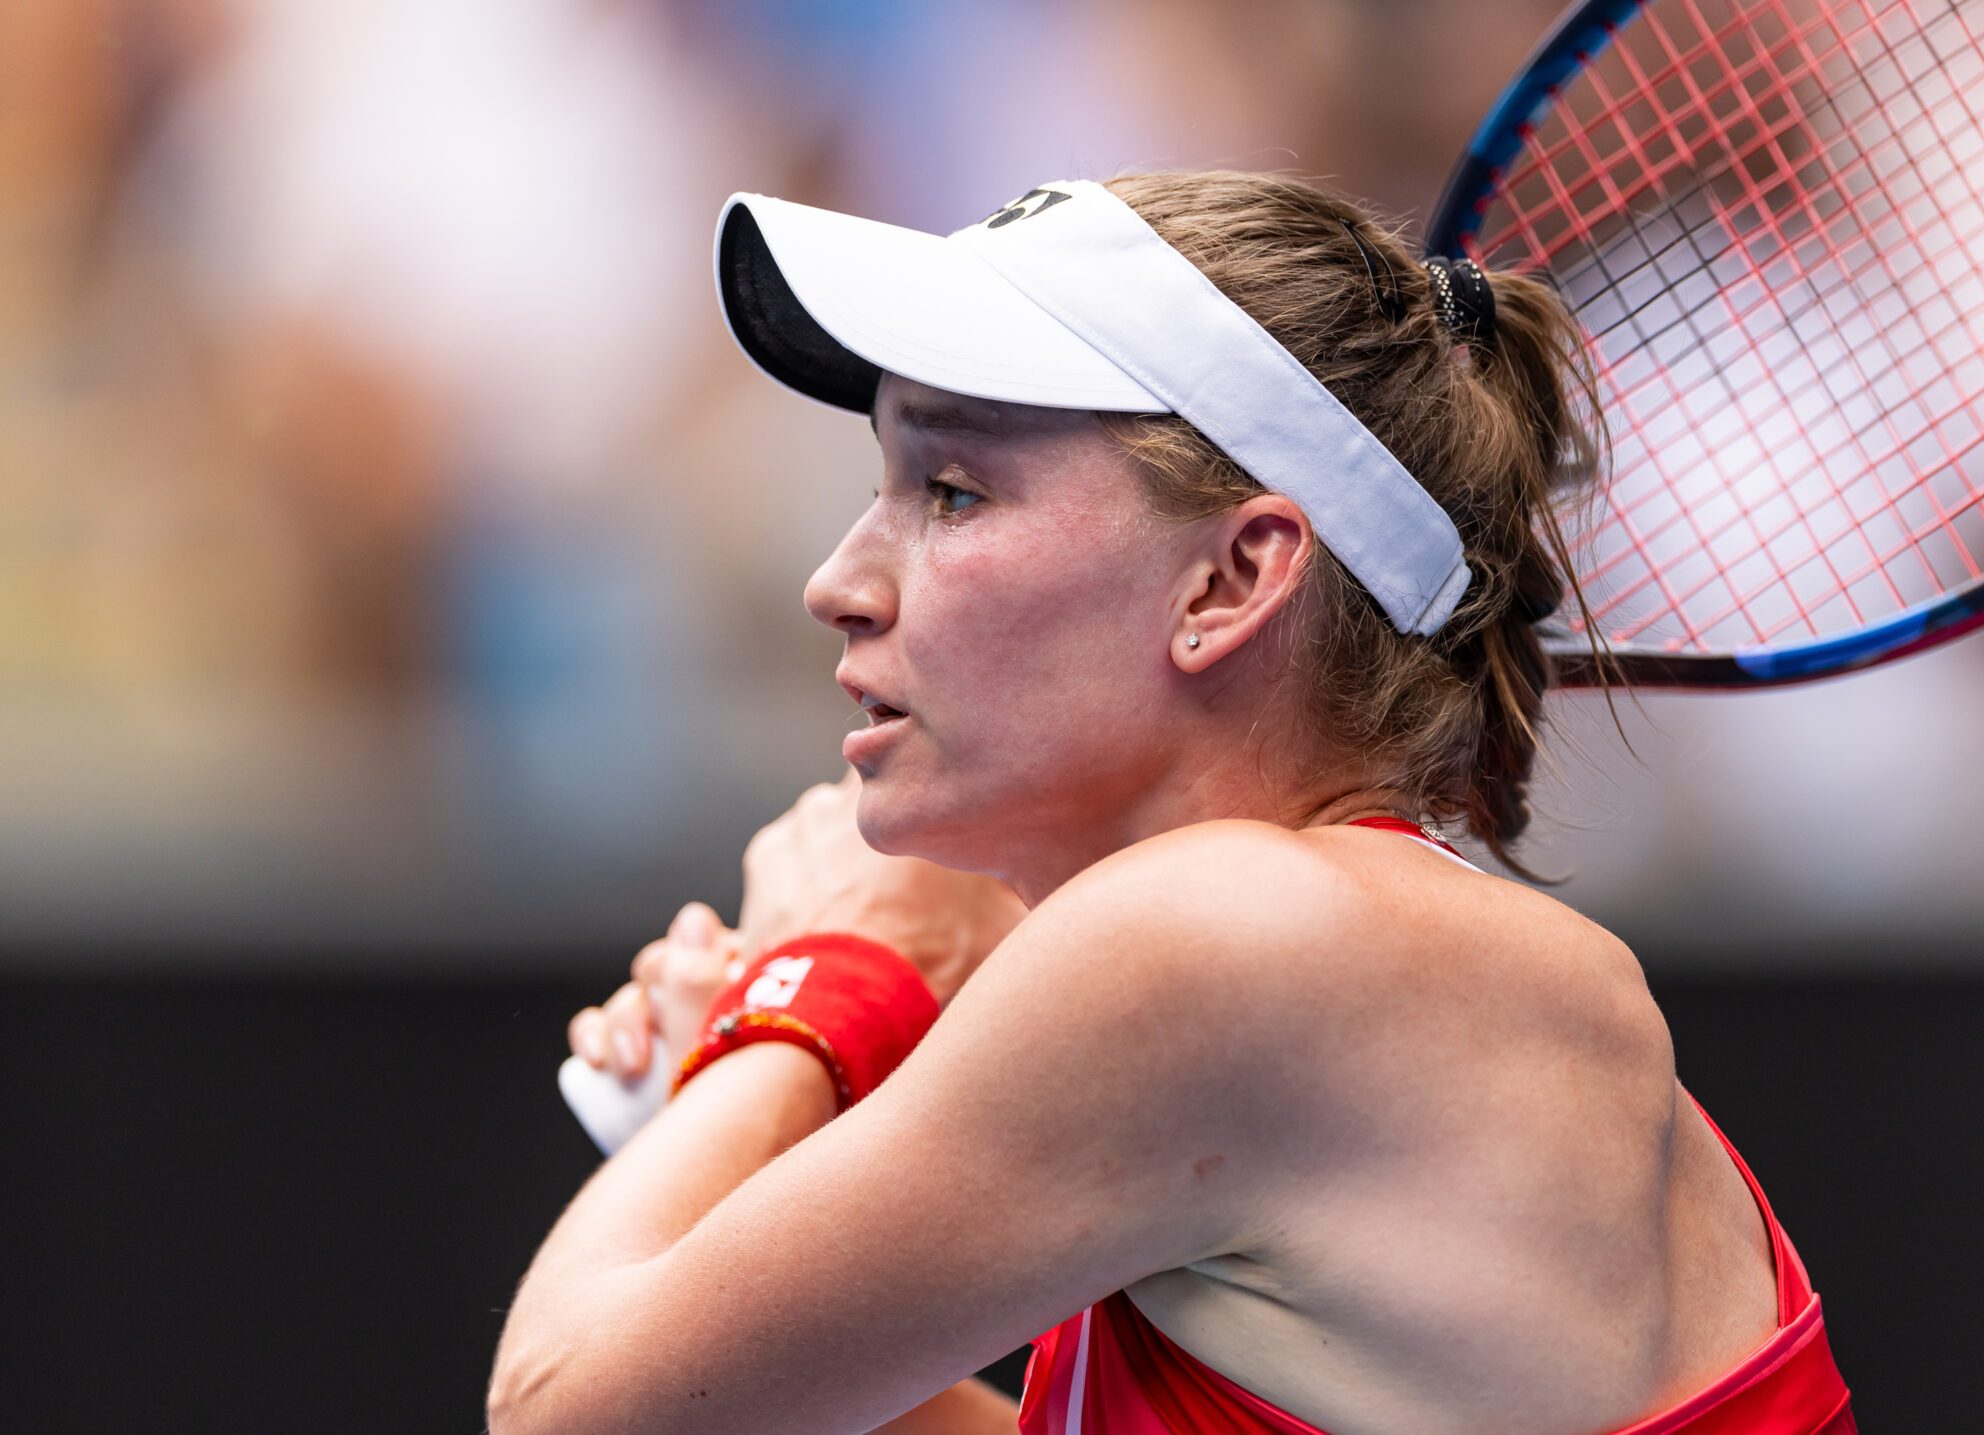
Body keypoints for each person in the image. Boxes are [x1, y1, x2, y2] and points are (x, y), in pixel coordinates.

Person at [492, 171, 1854, 1435]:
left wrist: (821, 992)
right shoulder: (1345, 967)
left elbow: (560, 1414)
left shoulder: (1233, 936)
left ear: (1230, 580)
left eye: (952, 492)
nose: (837, 582)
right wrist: (719, 1143)